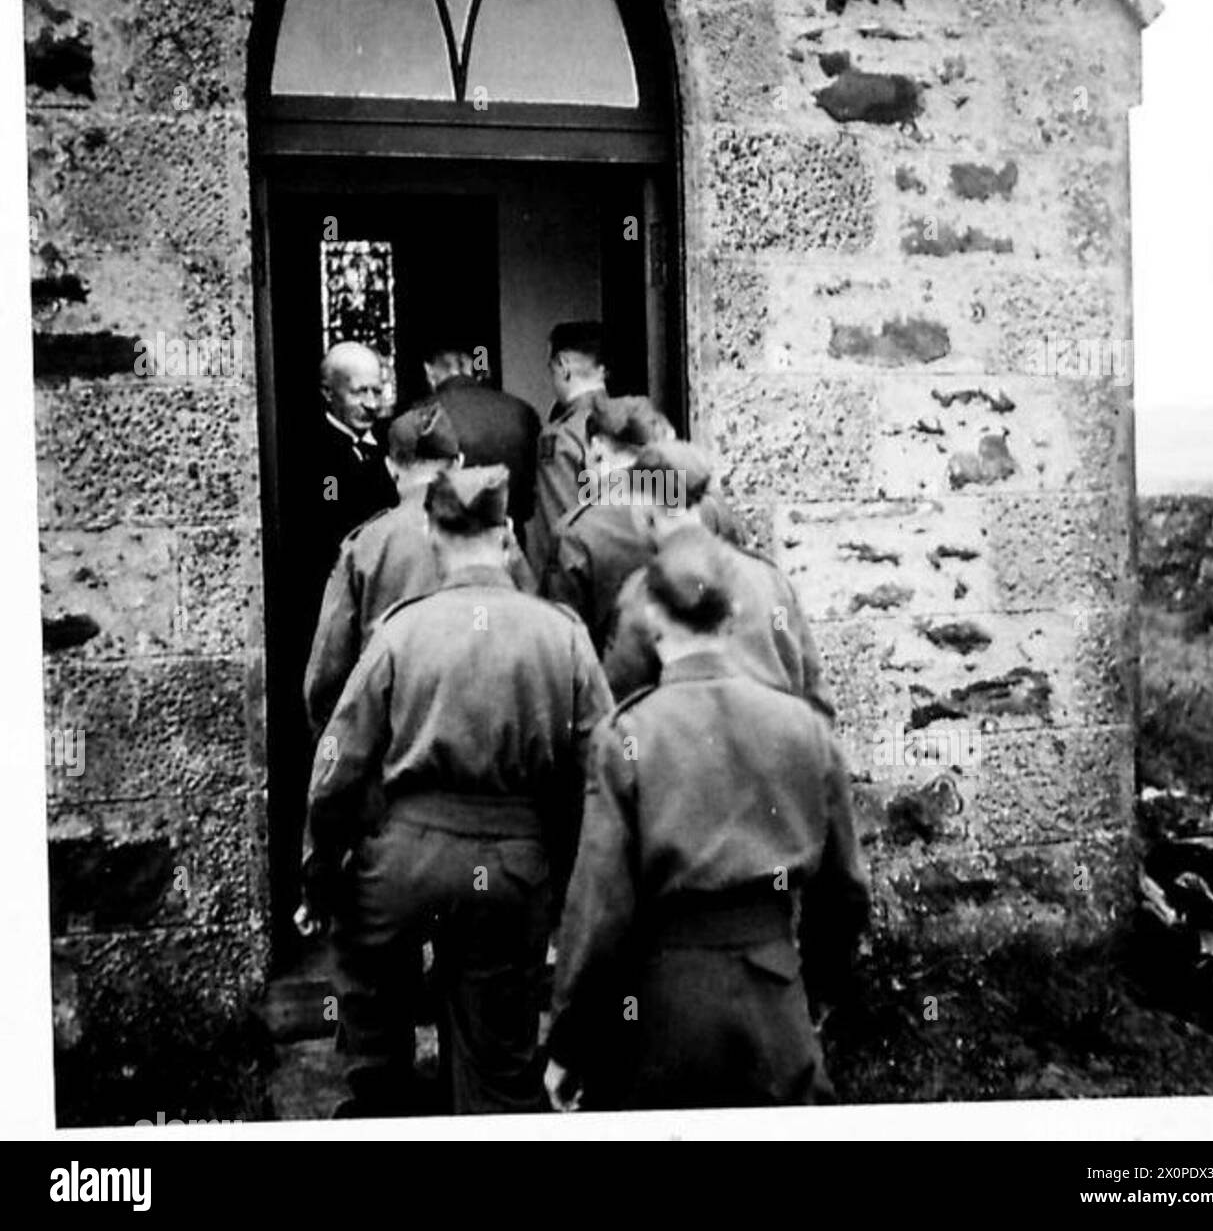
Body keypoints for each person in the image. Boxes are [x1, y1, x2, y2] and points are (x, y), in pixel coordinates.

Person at [299, 466, 613, 1117]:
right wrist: (569, 881)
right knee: (500, 1063)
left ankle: (384, 1104)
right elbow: (602, 774)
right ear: (506, 536)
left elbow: (337, 766)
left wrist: (320, 875)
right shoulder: (562, 635)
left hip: (404, 861)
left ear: (431, 534)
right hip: (511, 868)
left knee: (374, 1026)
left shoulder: (399, 631)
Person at [545, 530, 870, 1111]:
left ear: (652, 617)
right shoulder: (803, 728)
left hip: (658, 1005)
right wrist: (814, 993)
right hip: (774, 998)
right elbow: (845, 890)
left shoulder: (629, 736)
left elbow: (600, 908)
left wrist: (572, 1041)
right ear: (732, 615)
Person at [302, 401, 539, 738]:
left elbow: (327, 675)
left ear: (390, 467)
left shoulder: (366, 544)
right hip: (488, 735)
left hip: (395, 741)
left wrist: (342, 749)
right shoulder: (496, 536)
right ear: (458, 462)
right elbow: (536, 626)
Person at [602, 439, 835, 720]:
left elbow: (623, 703)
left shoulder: (644, 594)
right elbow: (815, 695)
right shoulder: (769, 579)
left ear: (645, 508)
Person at [543, 393, 664, 651]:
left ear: (596, 449)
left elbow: (563, 642)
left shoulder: (575, 533)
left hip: (613, 683)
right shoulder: (704, 508)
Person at [423, 337, 540, 536]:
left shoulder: (419, 415)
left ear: (429, 371)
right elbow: (532, 489)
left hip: (447, 540)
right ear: (472, 367)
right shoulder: (522, 411)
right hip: (509, 535)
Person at [310, 341, 397, 578]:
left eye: (377, 392)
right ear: (328, 392)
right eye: (359, 392)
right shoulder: (311, 453)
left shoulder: (392, 443)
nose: (371, 405)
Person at [527, 321, 608, 572]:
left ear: (563, 365)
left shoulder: (560, 437)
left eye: (550, 368)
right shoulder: (635, 423)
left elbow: (561, 526)